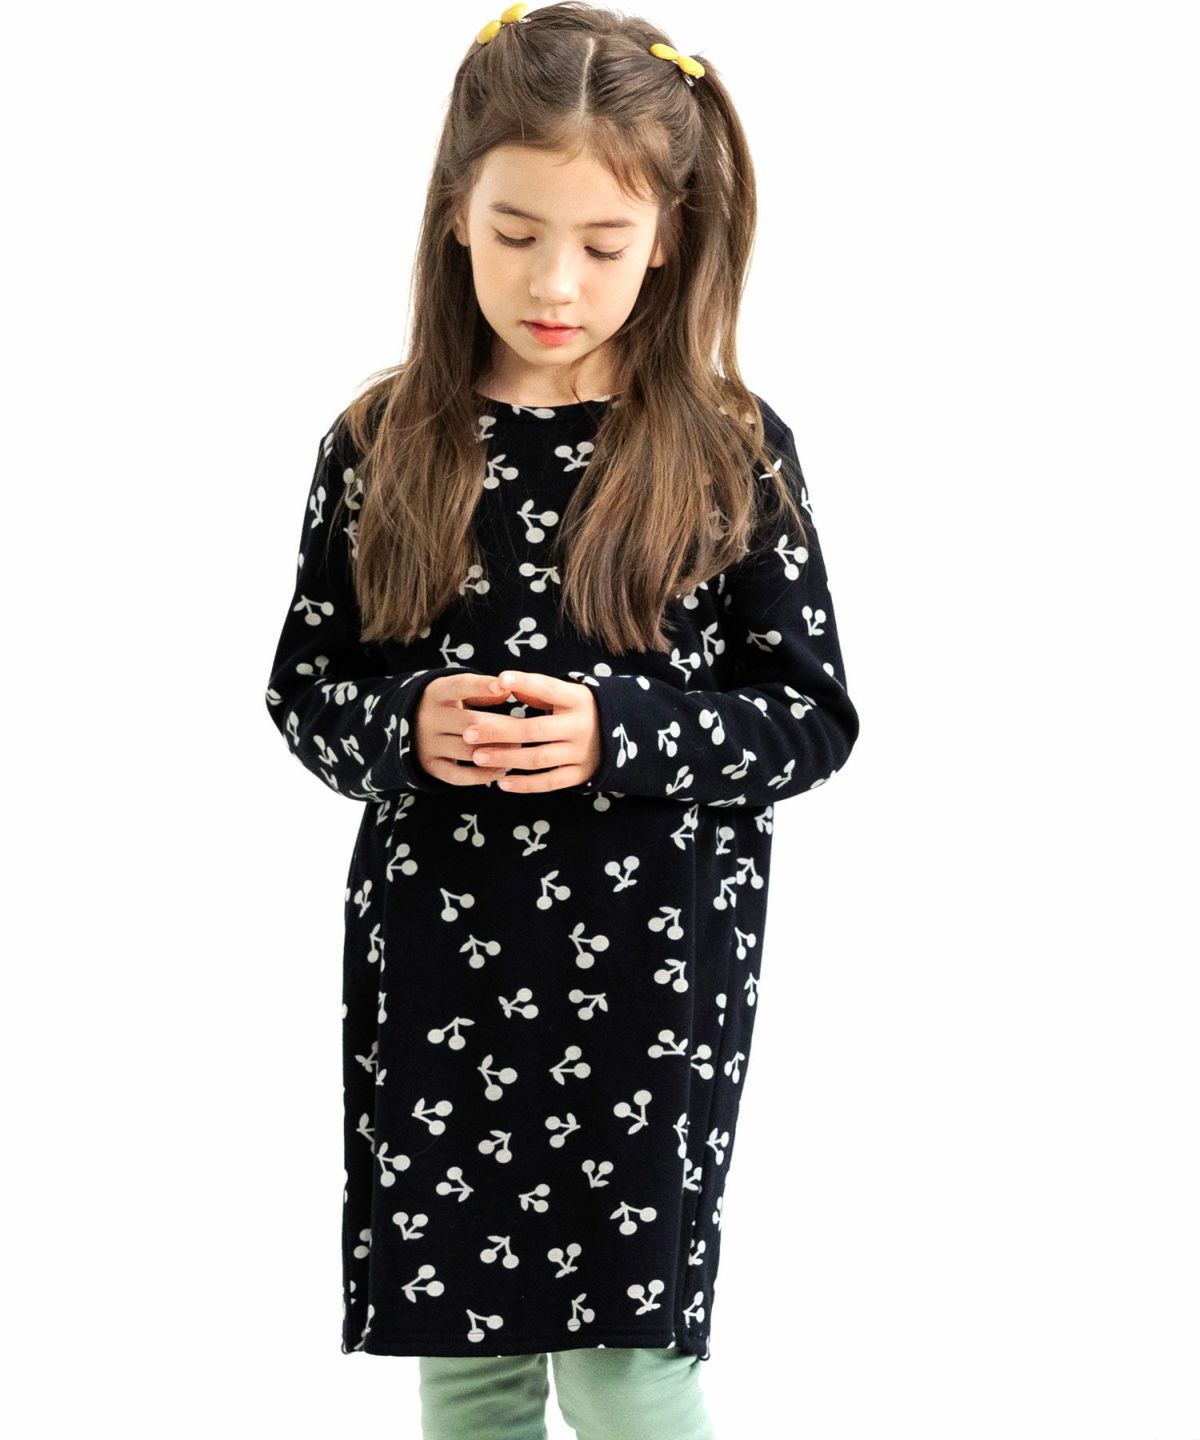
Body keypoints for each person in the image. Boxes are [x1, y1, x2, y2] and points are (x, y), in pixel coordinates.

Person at [262, 3, 860, 1436]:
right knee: (467, 1363)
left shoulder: (727, 446)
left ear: (669, 238)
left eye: (601, 243)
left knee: (625, 1366)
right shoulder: (382, 440)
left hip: (651, 981)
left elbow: (808, 718)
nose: (552, 281)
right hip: (437, 966)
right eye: (516, 232)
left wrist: (618, 736)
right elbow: (306, 687)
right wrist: (404, 726)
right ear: (453, 212)